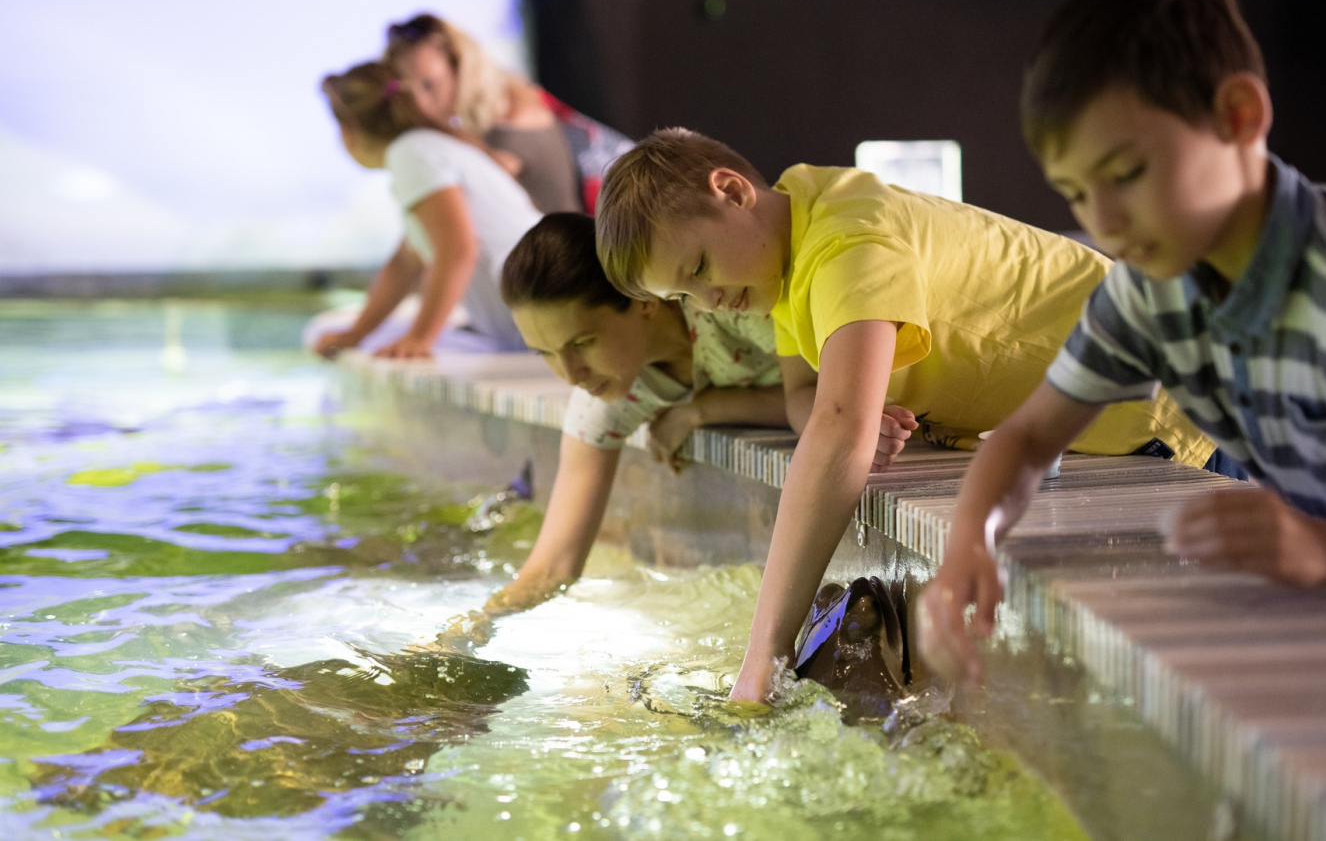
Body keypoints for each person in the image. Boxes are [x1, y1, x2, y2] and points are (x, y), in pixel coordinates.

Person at [592, 128, 1216, 702]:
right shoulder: (787, 247)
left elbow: (836, 434)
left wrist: (764, 657)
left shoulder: (846, 237)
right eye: (684, 295)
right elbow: (804, 398)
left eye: (698, 267)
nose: (710, 301)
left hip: (1168, 406)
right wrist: (857, 410)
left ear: (731, 191)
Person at [916, 0, 1326, 688]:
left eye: (1127, 173)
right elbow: (1028, 436)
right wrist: (968, 546)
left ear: (1238, 116)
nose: (1103, 222)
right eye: (1076, 193)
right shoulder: (1155, 290)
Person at [448, 212, 786, 626]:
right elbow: (553, 565)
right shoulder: (607, 400)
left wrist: (705, 409)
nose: (572, 374)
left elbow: (842, 397)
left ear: (643, 300)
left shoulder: (727, 301)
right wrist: (465, 634)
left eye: (583, 343)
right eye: (547, 353)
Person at [314, 61, 542, 359]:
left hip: (540, 307)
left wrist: (419, 339)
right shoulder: (425, 147)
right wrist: (357, 333)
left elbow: (458, 249)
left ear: (349, 129)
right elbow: (404, 264)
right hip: (529, 318)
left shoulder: (411, 153)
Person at [385, 14, 587, 215]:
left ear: (460, 67)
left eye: (429, 85)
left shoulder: (503, 135)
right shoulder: (513, 96)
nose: (420, 103)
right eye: (409, 92)